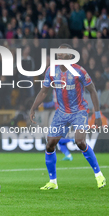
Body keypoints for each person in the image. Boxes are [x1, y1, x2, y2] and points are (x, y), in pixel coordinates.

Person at [30, 44, 106, 190]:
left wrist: (97, 114)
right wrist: (33, 107)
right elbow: (44, 91)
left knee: (80, 142)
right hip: (61, 112)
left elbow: (93, 91)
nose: (59, 55)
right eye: (58, 52)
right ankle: (53, 182)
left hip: (79, 111)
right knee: (50, 144)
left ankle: (99, 175)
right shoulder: (51, 71)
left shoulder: (79, 71)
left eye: (63, 53)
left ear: (70, 56)